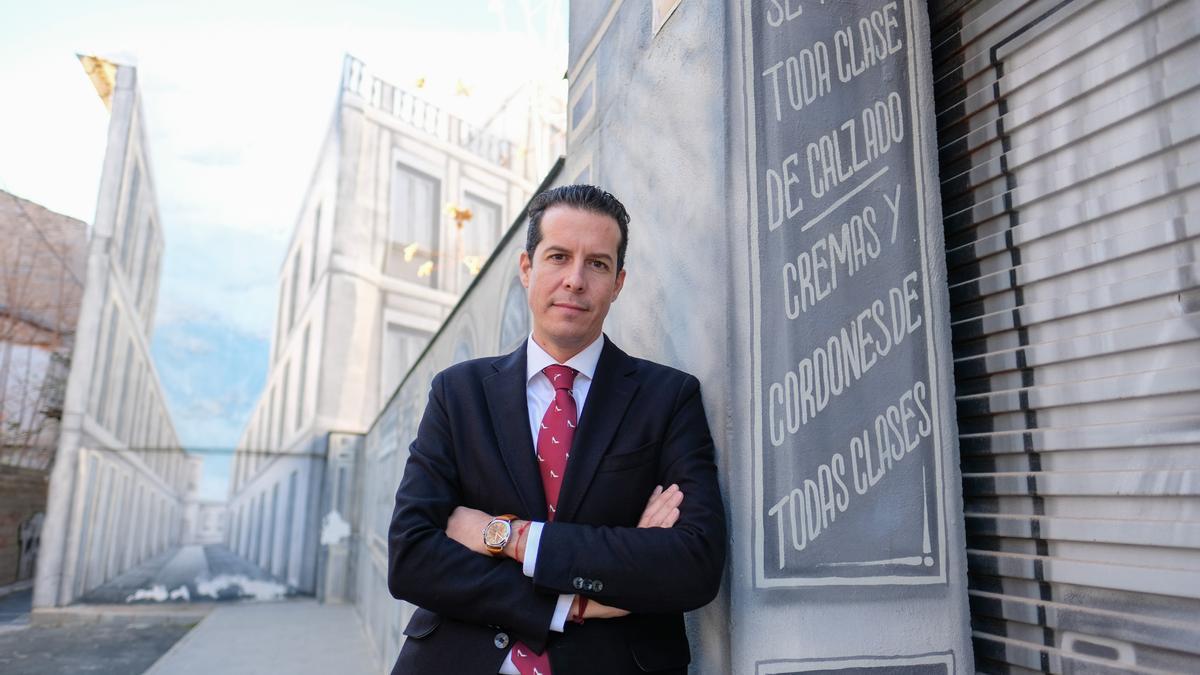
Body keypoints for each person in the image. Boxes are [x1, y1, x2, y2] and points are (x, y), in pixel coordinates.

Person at [387, 185, 726, 674]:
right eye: (558, 256)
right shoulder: (459, 393)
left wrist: (509, 537)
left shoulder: (668, 398)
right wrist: (572, 603)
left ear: (619, 282)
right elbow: (412, 555)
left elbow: (692, 565)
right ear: (527, 269)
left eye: (598, 264)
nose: (575, 280)